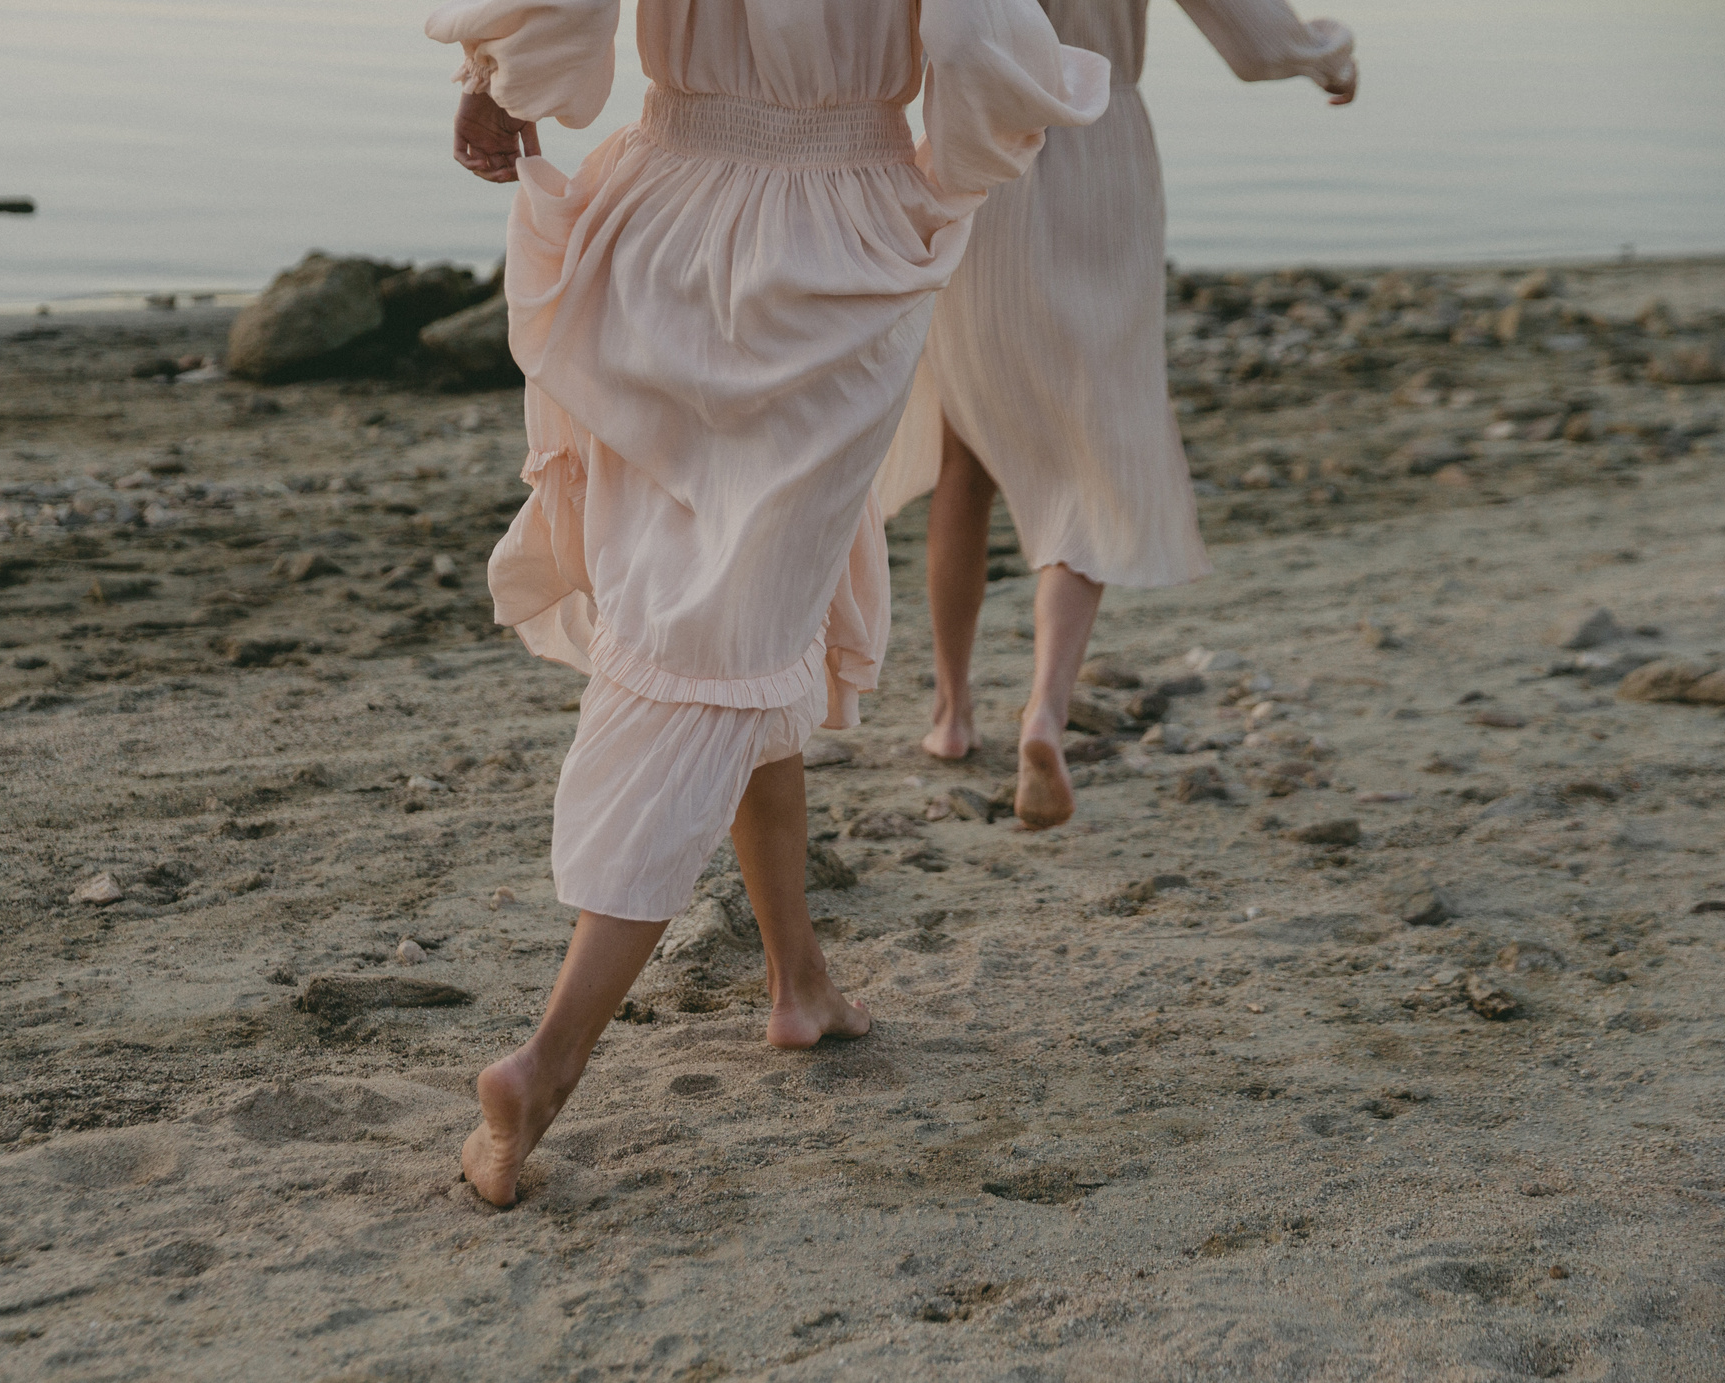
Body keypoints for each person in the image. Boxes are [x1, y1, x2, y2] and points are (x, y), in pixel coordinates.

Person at [426, 0, 1110, 1206]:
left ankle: (799, 984)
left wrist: (503, 78)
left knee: (742, 617)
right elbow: (974, 45)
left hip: (660, 209)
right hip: (831, 236)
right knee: (724, 639)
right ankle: (546, 1062)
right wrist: (981, 149)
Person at [873, 0, 1356, 829]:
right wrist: (1327, 56)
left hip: (981, 152)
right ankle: (1045, 713)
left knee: (965, 451)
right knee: (1095, 447)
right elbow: (1252, 41)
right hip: (1104, 160)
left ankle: (952, 715)